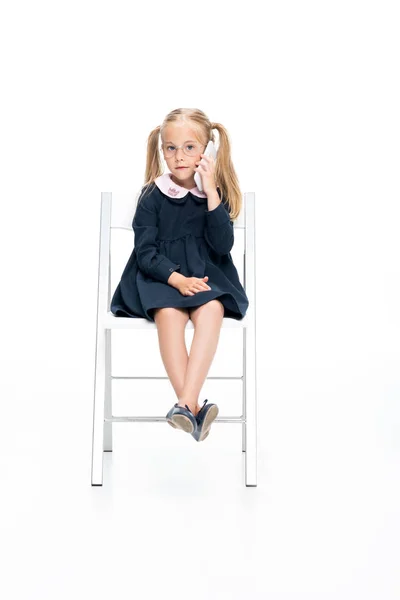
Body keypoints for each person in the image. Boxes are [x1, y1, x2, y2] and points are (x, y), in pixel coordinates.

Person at [110, 108, 249, 442]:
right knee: (169, 316)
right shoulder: (152, 196)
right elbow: (145, 254)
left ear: (206, 151)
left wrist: (212, 191)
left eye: (189, 147)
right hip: (159, 278)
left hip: (205, 277)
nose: (179, 156)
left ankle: (185, 406)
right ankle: (193, 408)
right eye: (170, 148)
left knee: (212, 309)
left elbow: (222, 244)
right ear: (162, 151)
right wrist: (175, 279)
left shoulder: (213, 195)